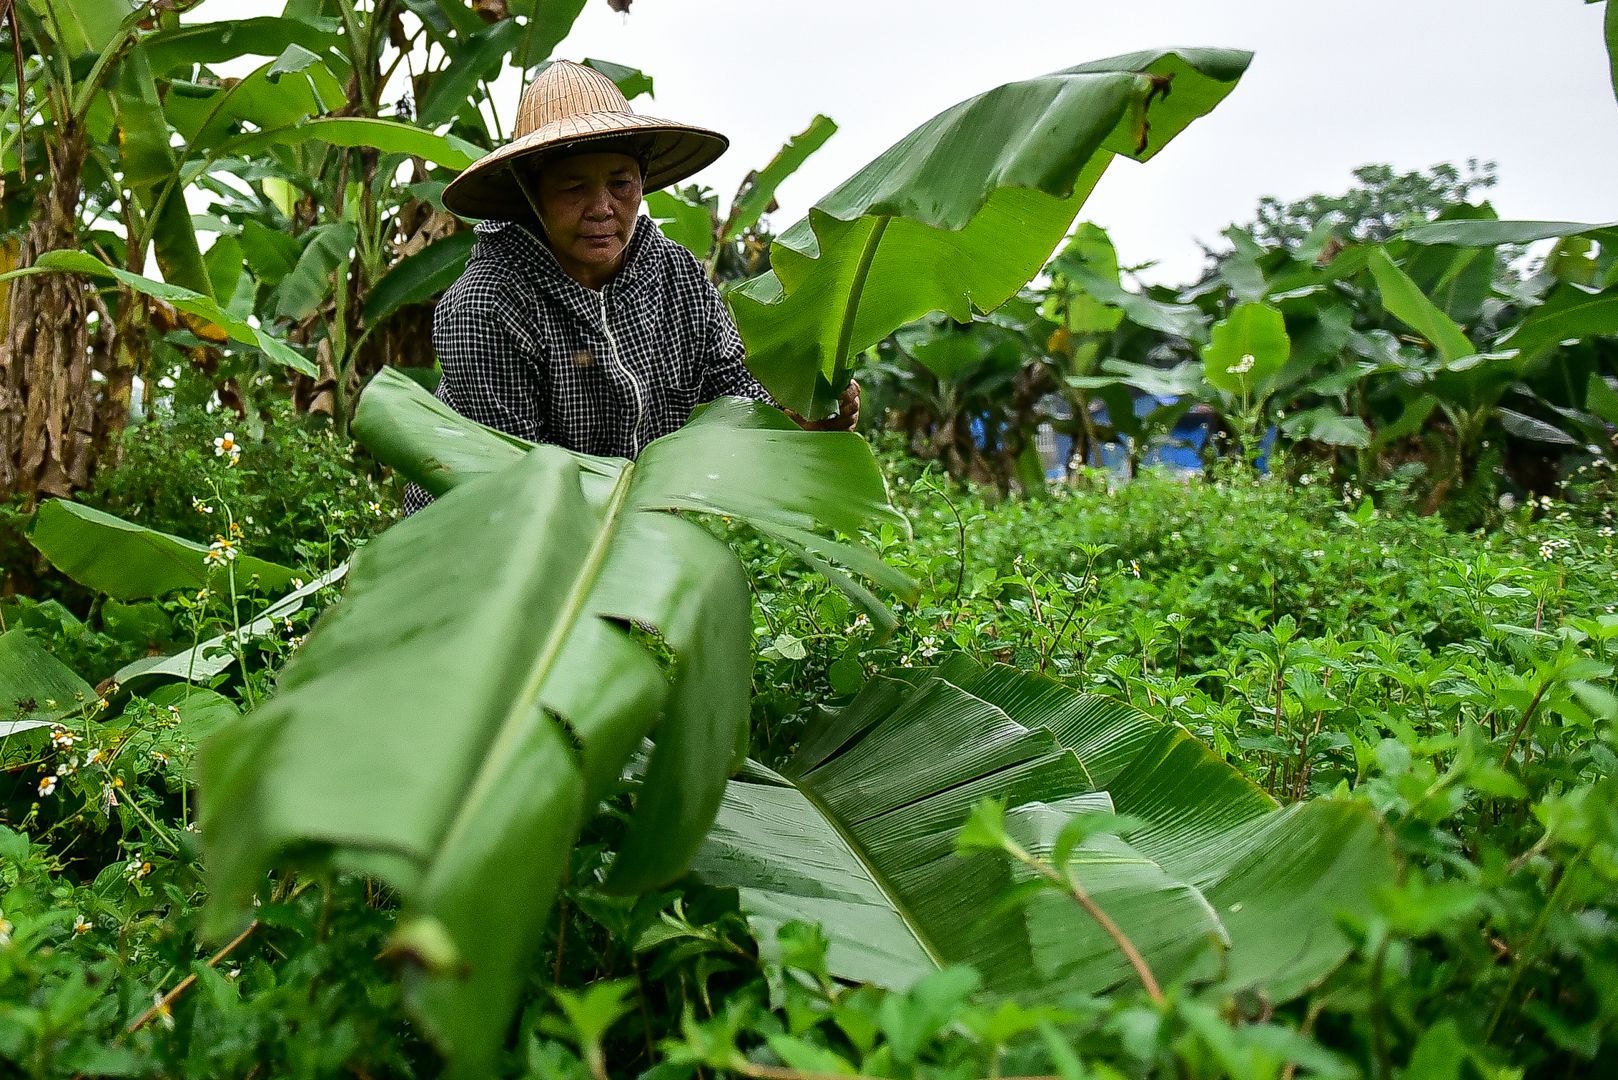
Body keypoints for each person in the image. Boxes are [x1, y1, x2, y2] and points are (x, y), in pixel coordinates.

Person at [404, 61, 857, 511]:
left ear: (642, 182)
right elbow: (511, 483)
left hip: (634, 531)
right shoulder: (487, 305)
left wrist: (798, 418)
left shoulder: (676, 275)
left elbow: (735, 390)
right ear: (531, 192)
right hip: (488, 537)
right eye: (573, 188)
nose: (602, 208)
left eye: (620, 184)